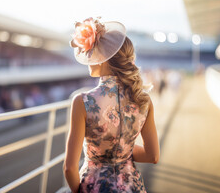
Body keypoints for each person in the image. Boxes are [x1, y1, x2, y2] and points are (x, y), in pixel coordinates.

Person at [63, 17, 160, 192]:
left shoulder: (82, 101)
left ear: (104, 58)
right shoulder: (143, 100)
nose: (88, 56)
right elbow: (152, 156)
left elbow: (69, 168)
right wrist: (123, 150)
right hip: (132, 187)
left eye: (91, 51)